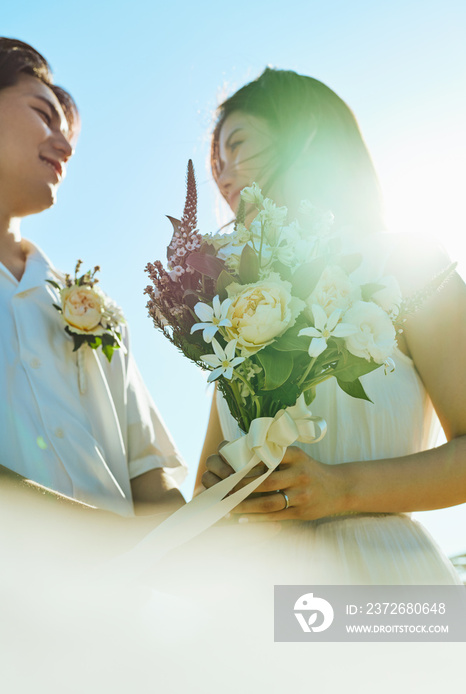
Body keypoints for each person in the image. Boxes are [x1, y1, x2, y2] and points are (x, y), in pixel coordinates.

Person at [195, 67, 466, 584]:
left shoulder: (408, 264)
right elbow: (201, 499)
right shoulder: (239, 308)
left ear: (308, 135)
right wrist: (218, 491)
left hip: (379, 584)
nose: (225, 178)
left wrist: (341, 488)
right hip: (249, 602)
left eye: (239, 146)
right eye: (217, 167)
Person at [0, 38, 186, 537]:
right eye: (43, 115)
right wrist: (93, 545)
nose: (64, 147)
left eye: (69, 138)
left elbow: (150, 480)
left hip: (117, 610)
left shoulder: (95, 307)